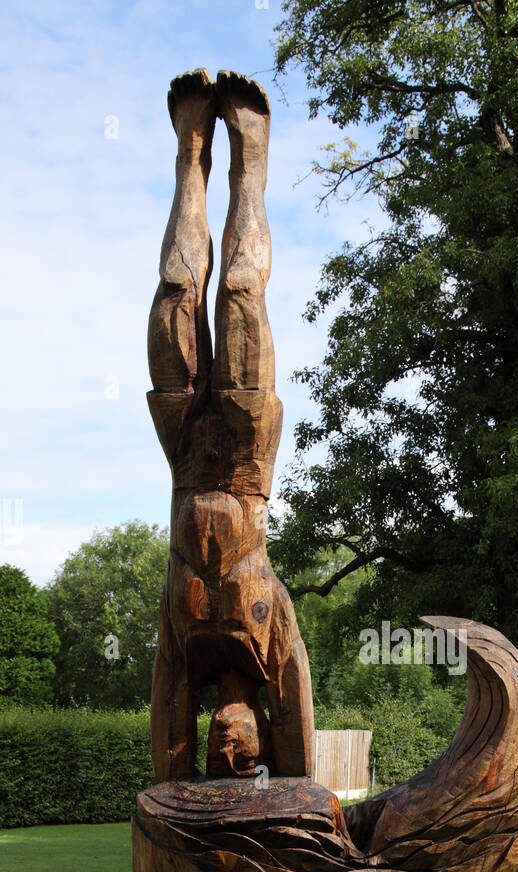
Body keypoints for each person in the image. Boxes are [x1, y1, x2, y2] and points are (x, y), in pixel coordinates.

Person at [146, 69, 314, 781]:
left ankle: (191, 153)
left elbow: (164, 706)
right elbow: (299, 701)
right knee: (242, 292)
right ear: (263, 742)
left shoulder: (181, 635)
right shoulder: (269, 617)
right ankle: (251, 158)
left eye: (222, 751)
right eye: (240, 750)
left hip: (187, 453)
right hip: (245, 459)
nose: (228, 743)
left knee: (177, 297)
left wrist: (168, 791)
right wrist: (304, 789)